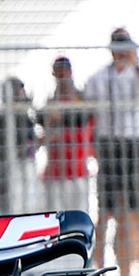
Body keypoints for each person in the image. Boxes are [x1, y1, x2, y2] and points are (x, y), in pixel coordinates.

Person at [84, 28, 139, 276]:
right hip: (110, 145)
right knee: (106, 209)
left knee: (138, 208)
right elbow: (87, 110)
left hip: (134, 145)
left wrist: (137, 67)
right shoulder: (98, 78)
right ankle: (100, 272)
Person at [39, 55, 95, 224]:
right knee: (56, 219)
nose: (62, 78)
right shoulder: (51, 101)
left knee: (79, 217)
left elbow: (84, 119)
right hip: (56, 169)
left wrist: (61, 115)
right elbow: (43, 122)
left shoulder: (80, 99)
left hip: (77, 168)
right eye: (59, 74)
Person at [0, 76, 41, 214]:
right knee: (14, 203)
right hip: (11, 165)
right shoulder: (4, 115)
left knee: (28, 202)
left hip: (26, 161)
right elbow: (1, 142)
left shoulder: (25, 112)